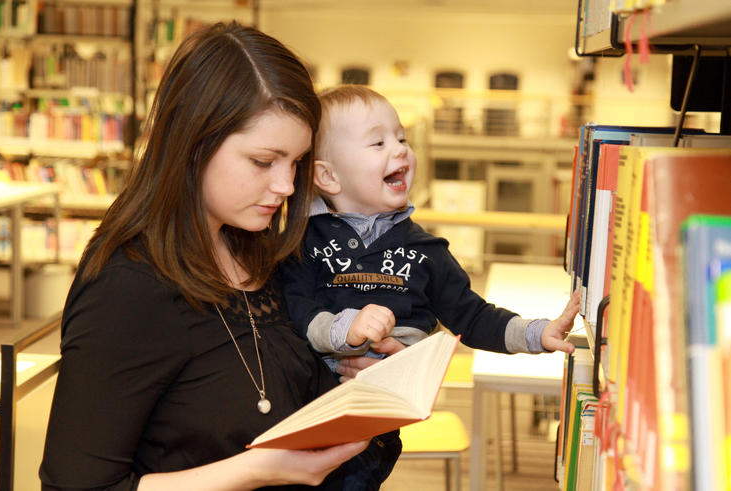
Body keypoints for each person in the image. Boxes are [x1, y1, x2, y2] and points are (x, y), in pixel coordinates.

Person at [39, 23, 401, 491]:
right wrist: (258, 469)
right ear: (194, 144)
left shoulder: (261, 248)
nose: (286, 186)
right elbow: (76, 486)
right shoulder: (127, 285)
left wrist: (355, 376)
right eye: (263, 161)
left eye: (296, 163)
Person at [282, 85, 580, 375]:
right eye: (378, 143)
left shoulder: (425, 249)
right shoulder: (303, 240)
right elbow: (294, 305)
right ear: (328, 176)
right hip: (317, 397)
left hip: (394, 400)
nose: (400, 150)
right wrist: (343, 328)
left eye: (401, 139)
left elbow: (472, 317)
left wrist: (536, 334)